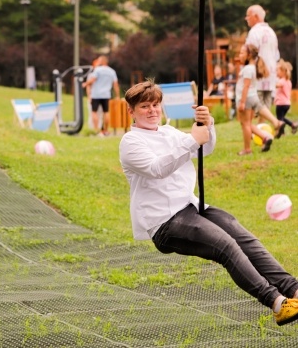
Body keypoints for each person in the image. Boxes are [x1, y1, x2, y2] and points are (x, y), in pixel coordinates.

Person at [119, 79, 298, 327]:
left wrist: (207, 125)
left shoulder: (169, 132)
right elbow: (157, 168)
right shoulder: (131, 142)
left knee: (243, 237)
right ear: (131, 111)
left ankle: (294, 289)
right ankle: (278, 303)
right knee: (225, 245)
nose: (152, 111)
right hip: (165, 223)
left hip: (191, 206)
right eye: (144, 107)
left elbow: (204, 149)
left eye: (155, 105)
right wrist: (193, 139)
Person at [236, 44, 274, 155]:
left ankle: (247, 149)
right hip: (251, 98)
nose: (240, 55)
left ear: (249, 55)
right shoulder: (252, 68)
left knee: (245, 124)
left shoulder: (248, 69)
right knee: (248, 124)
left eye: (242, 53)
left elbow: (246, 86)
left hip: (246, 100)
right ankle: (265, 138)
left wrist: (242, 102)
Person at [245, 4, 280, 123]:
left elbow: (250, 54)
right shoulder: (272, 32)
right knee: (266, 108)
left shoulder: (254, 32)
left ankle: (265, 130)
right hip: (270, 77)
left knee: (255, 108)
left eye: (248, 16)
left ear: (255, 16)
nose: (246, 18)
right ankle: (265, 134)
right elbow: (277, 56)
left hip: (257, 76)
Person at [82, 55, 120, 136]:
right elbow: (115, 84)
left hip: (96, 95)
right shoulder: (112, 71)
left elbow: (92, 80)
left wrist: (85, 84)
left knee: (94, 112)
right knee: (106, 112)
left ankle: (97, 130)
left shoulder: (98, 70)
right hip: (106, 95)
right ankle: (105, 130)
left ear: (102, 61)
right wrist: (117, 95)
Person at [274, 59, 297, 137]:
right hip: (287, 103)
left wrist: (272, 81)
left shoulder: (282, 81)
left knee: (280, 119)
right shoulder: (288, 81)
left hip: (281, 103)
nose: (276, 72)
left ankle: (282, 132)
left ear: (283, 72)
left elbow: (277, 85)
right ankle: (292, 125)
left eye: (278, 71)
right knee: (282, 118)